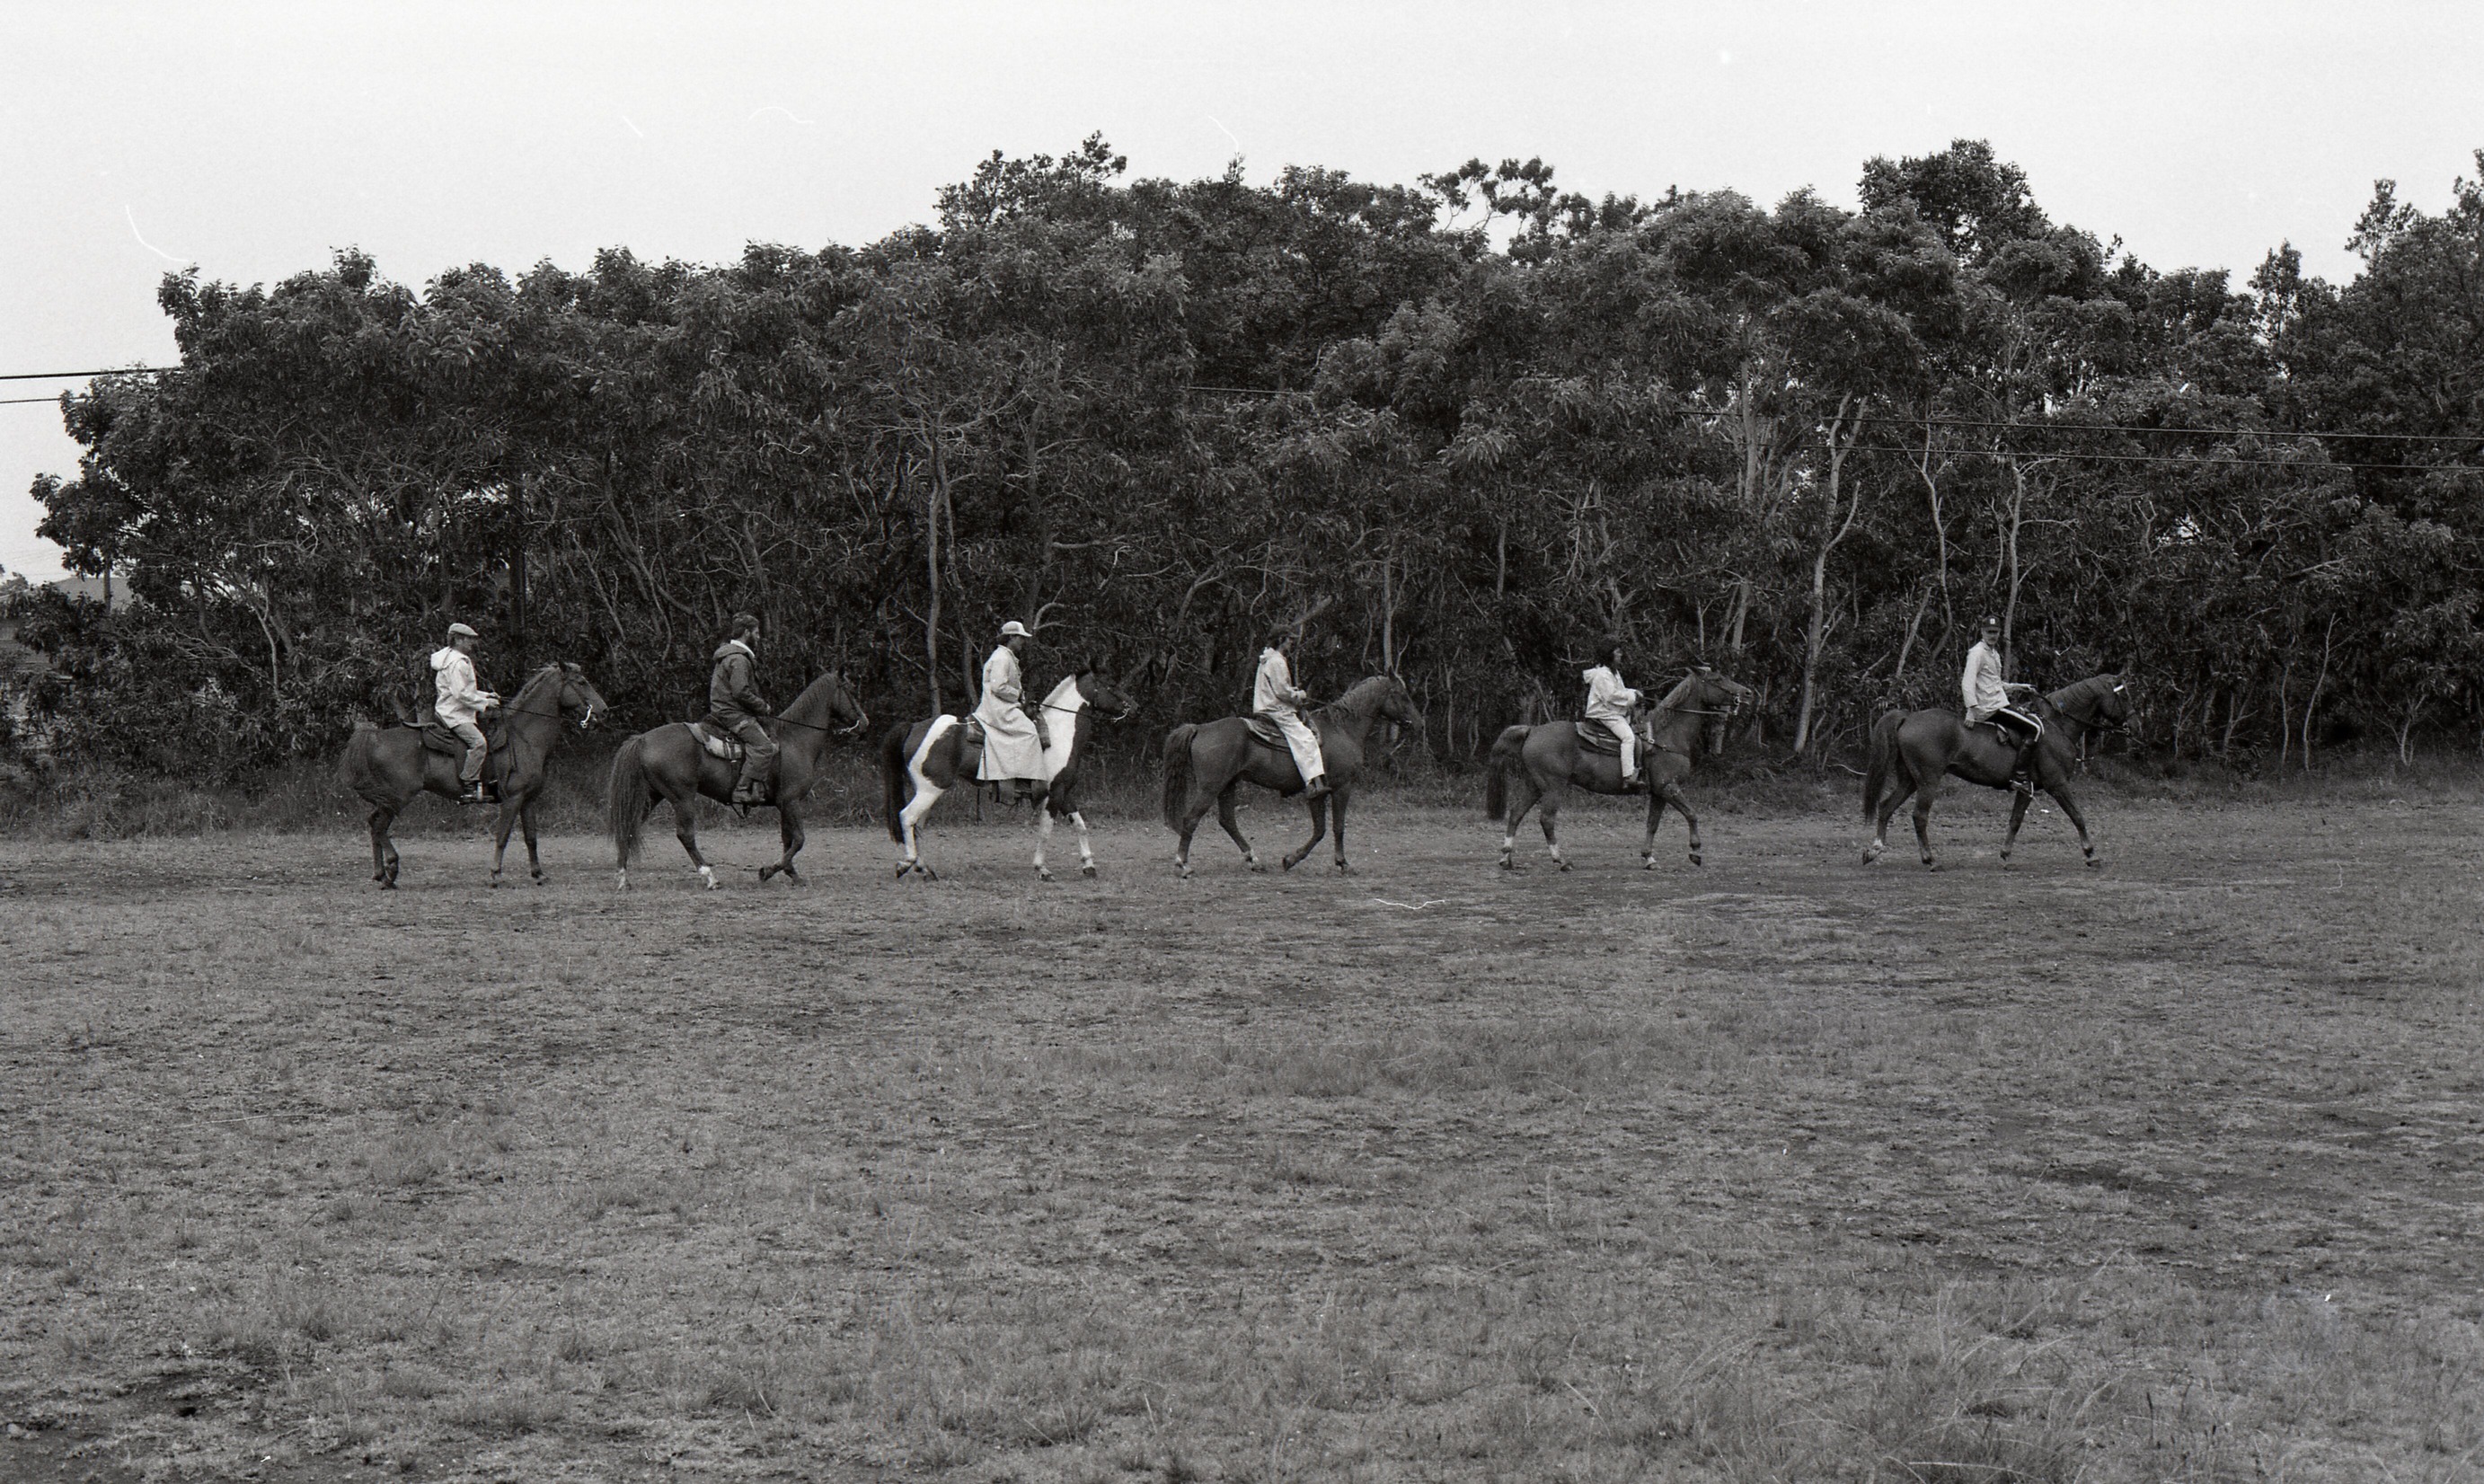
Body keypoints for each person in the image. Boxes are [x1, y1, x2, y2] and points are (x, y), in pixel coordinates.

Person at [1962, 614, 2041, 791]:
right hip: (1990, 708)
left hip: (1997, 703)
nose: (1993, 635)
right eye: (1989, 632)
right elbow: (1967, 682)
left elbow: (1995, 685)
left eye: (1995, 632)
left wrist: (2019, 687)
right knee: (2034, 729)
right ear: (1982, 632)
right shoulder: (1977, 653)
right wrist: (1971, 709)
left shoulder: (1993, 653)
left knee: (2028, 720)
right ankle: (2019, 777)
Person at [707, 612, 777, 808]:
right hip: (733, 714)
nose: (758, 637)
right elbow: (740, 692)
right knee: (764, 747)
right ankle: (741, 790)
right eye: (756, 632)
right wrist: (762, 706)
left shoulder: (729, 655)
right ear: (746, 633)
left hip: (724, 710)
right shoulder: (739, 659)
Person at [1252, 628, 1329, 801]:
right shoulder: (1277, 661)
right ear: (1281, 640)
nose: (1291, 642)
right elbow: (1281, 691)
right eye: (1289, 639)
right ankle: (1311, 784)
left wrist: (1291, 692)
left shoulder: (1266, 659)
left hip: (1265, 705)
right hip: (1275, 708)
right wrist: (1298, 695)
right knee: (1306, 738)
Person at [431, 621, 501, 804]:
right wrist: (486, 703)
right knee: (479, 743)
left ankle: (488, 782)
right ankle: (469, 785)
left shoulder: (453, 658)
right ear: (458, 640)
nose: (472, 644)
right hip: (454, 713)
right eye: (469, 640)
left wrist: (486, 695)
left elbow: (464, 690)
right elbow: (461, 694)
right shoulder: (457, 662)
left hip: (454, 709)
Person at [975, 620, 1050, 784]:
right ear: (1011, 638)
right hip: (998, 708)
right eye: (1021, 638)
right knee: (1030, 732)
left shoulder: (1007, 656)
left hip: (1004, 705)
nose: (1023, 641)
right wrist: (1018, 694)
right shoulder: (1002, 657)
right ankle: (1022, 779)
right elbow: (998, 686)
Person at [1582, 635, 1644, 789]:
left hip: (1610, 712)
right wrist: (1633, 696)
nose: (1620, 655)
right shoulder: (1603, 675)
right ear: (1609, 654)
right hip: (1604, 713)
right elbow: (1612, 697)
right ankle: (1628, 776)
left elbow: (1619, 691)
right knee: (1628, 738)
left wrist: (1633, 691)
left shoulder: (1613, 673)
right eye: (1617, 652)